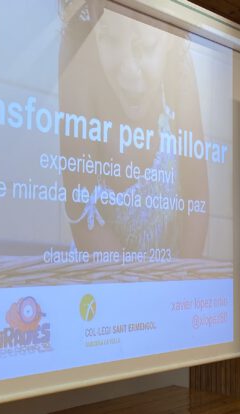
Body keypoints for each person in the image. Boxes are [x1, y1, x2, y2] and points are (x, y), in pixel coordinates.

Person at [58, 0, 209, 258]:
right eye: (109, 39)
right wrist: (140, 283)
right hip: (101, 275)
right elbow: (81, 214)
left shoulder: (180, 66)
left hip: (172, 275)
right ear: (91, 18)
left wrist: (180, 279)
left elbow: (197, 198)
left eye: (146, 47)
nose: (128, 72)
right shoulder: (78, 52)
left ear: (169, 39)